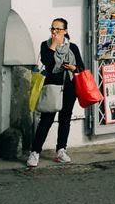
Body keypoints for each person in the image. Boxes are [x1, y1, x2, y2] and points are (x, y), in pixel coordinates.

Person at [27, 18, 84, 167]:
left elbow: (81, 68)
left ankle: (61, 150)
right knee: (47, 119)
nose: (54, 32)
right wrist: (54, 44)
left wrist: (73, 68)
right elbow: (47, 62)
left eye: (58, 29)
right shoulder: (45, 45)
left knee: (65, 119)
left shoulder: (73, 48)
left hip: (69, 88)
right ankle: (35, 152)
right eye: (52, 29)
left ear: (65, 31)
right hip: (52, 87)